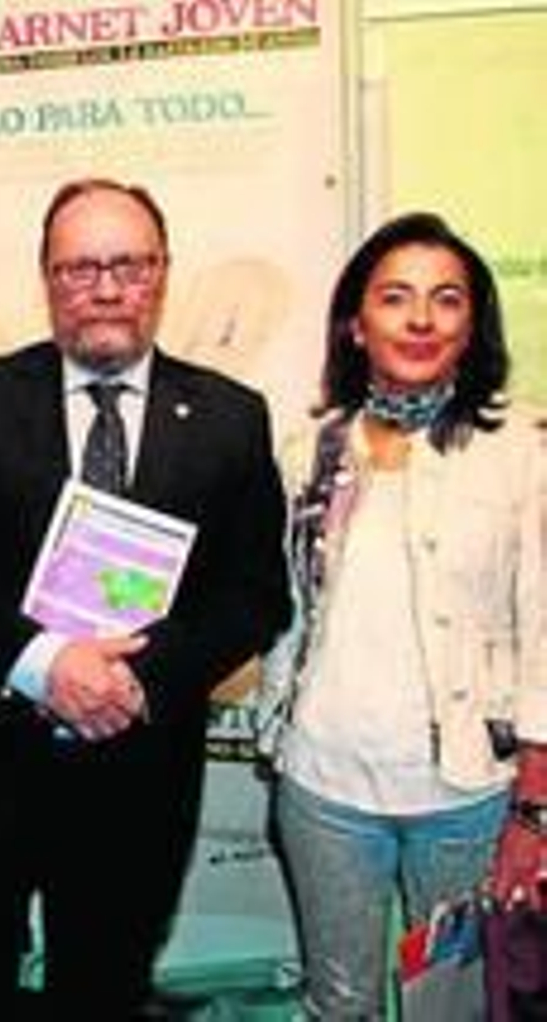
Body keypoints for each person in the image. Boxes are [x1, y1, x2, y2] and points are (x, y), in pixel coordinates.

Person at [0, 177, 292, 1016]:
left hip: (138, 769)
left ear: (163, 272)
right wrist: (45, 663)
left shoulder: (231, 417)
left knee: (106, 995)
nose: (107, 288)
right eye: (80, 268)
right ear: (47, 278)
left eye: (130, 265)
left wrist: (136, 679)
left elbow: (256, 592)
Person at [258, 212, 547, 1018]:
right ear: (356, 324)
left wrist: (534, 808)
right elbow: (282, 610)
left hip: (467, 793)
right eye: (395, 297)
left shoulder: (523, 450)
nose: (421, 319)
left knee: (456, 1005)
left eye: (446, 300)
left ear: (471, 325)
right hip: (322, 784)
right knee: (337, 1002)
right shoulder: (309, 448)